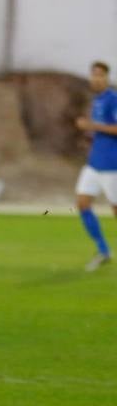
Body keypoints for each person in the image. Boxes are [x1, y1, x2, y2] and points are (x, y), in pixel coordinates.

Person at [75, 60, 117, 272]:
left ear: (107, 78)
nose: (96, 78)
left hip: (111, 165)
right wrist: (89, 134)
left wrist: (92, 126)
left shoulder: (113, 99)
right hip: (94, 163)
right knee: (82, 203)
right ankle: (103, 250)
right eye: (94, 74)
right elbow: (101, 130)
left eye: (100, 75)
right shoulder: (96, 101)